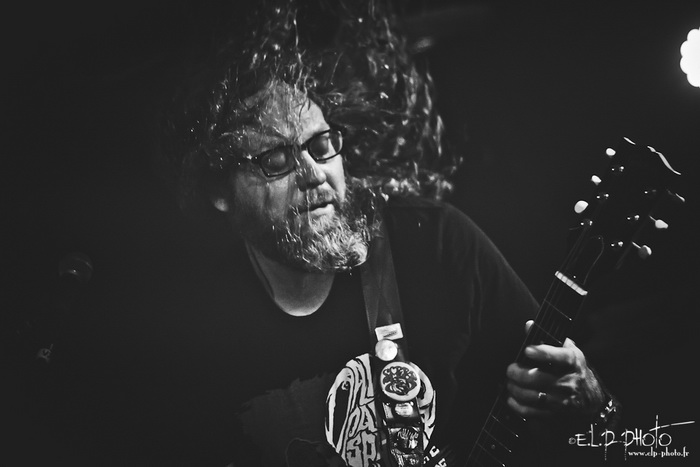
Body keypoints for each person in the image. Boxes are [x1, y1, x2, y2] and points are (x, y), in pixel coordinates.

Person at [10, 1, 620, 466]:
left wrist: (589, 396)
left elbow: (593, 426)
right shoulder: (192, 327)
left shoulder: (435, 241)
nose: (313, 174)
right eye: (275, 160)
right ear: (220, 193)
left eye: (321, 145)